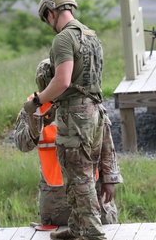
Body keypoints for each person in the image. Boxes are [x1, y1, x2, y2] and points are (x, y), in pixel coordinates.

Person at [26, 0, 110, 240]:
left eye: (46, 18)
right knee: (76, 172)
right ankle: (78, 226)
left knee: (79, 175)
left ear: (51, 12)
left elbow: (61, 81)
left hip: (75, 116)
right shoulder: (91, 36)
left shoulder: (63, 39)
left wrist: (38, 101)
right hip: (93, 112)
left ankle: (93, 236)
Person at [14, 58, 121, 228]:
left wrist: (109, 179)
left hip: (91, 189)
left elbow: (106, 144)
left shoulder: (87, 101)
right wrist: (35, 130)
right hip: (56, 197)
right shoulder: (33, 107)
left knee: (104, 230)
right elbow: (21, 144)